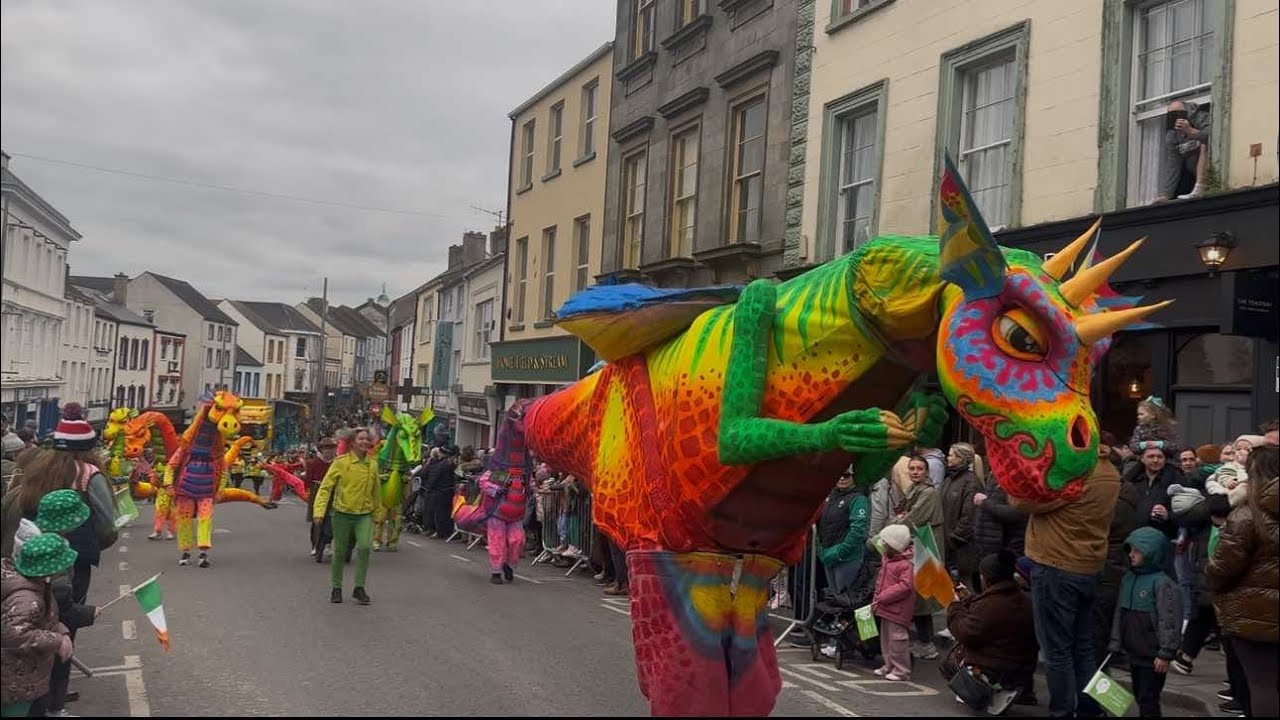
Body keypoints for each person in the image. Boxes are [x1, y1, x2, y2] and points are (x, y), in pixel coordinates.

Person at [1010, 440, 1121, 718]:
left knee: (1056, 650)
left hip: (1057, 566)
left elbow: (1023, 501)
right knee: (1082, 647)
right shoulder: (1109, 469)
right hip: (1089, 566)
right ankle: (1088, 709)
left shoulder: (1075, 472)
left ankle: (1062, 711)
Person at [1205, 445, 1278, 718]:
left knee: (1262, 685)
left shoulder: (1247, 515)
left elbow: (1222, 567)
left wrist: (1212, 576)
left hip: (1252, 614)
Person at [943, 550, 1039, 714]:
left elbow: (965, 632)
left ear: (986, 577)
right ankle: (1012, 690)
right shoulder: (1024, 600)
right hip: (1023, 668)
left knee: (953, 656)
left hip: (997, 668)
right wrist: (967, 599)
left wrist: (954, 607)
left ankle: (979, 690)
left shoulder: (989, 605)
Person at [0, 534, 78, 718]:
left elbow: (39, 619)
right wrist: (57, 640)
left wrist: (60, 629)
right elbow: (13, 633)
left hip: (22, 675)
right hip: (16, 678)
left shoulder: (32, 585)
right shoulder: (27, 598)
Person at [1108, 527, 1181, 718]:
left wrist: (1166, 652)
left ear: (1152, 553)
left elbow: (1169, 619)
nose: (1131, 554)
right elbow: (1120, 612)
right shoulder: (1129, 578)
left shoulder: (1162, 583)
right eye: (1130, 550)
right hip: (1133, 652)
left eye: (1137, 551)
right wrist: (1116, 642)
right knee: (1141, 696)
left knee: (1148, 699)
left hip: (1153, 656)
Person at [312, 428, 380, 605]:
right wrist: (318, 511)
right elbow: (325, 487)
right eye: (360, 439)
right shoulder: (341, 462)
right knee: (340, 553)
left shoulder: (373, 464)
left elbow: (376, 492)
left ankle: (359, 588)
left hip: (364, 514)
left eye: (367, 439)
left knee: (364, 547)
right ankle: (336, 588)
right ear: (352, 442)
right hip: (342, 514)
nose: (364, 442)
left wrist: (378, 514)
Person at [898, 454, 944, 660]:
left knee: (923, 598)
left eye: (920, 469)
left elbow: (911, 517)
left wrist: (891, 527)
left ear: (927, 471)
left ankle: (927, 643)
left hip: (926, 547)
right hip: (917, 545)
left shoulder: (929, 493)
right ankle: (923, 641)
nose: (915, 472)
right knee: (916, 598)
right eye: (912, 468)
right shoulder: (913, 490)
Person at [871, 524, 914, 681]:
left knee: (897, 640)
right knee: (886, 639)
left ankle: (901, 669)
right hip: (885, 606)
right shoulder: (887, 560)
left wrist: (882, 596)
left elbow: (905, 586)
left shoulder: (905, 565)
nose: (882, 545)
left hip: (898, 608)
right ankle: (889, 664)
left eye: (885, 543)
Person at [817, 465, 869, 595]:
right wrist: (821, 549)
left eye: (846, 475)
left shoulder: (859, 499)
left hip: (847, 558)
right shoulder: (831, 496)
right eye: (838, 474)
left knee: (846, 600)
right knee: (835, 598)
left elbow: (857, 530)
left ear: (854, 477)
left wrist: (841, 552)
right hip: (828, 554)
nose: (841, 478)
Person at [479, 462, 534, 584]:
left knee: (517, 540)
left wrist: (531, 488)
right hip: (497, 511)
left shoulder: (525, 472)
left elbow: (532, 485)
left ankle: (509, 565)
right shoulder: (499, 467)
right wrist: (497, 489)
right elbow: (483, 481)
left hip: (516, 514)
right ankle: (496, 571)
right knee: (497, 541)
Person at [941, 443, 983, 590]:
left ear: (961, 458)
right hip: (948, 542)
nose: (948, 457)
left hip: (962, 545)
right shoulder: (949, 480)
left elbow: (969, 515)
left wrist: (955, 537)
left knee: (966, 585)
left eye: (951, 454)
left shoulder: (971, 482)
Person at [1157, 100, 1211, 201]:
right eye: (1172, 115)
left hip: (1210, 169)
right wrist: (1166, 194)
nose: (1177, 118)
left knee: (1204, 145)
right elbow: (1173, 165)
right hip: (1191, 174)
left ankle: (1200, 186)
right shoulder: (1172, 135)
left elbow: (1212, 136)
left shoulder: (1201, 117)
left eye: (1180, 113)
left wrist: (1191, 132)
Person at [305, 438, 338, 560]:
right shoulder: (313, 463)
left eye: (331, 448)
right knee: (317, 520)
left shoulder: (337, 463)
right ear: (321, 450)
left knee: (332, 519)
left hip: (333, 492)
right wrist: (308, 491)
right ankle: (315, 545)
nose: (329, 451)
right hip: (317, 490)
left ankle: (328, 544)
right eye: (326, 448)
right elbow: (308, 479)